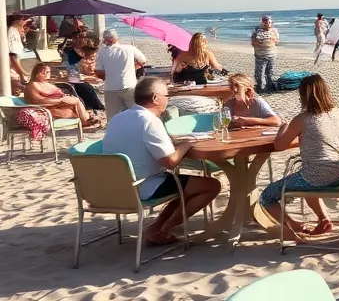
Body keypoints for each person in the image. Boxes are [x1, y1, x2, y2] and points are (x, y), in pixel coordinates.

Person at [102, 77, 221, 246]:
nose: (168, 99)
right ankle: (162, 230)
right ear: (155, 98)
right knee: (211, 186)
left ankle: (157, 227)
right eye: (167, 95)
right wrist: (188, 143)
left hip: (113, 187)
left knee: (186, 187)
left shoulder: (118, 118)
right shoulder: (149, 121)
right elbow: (171, 161)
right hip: (142, 186)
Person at [263, 74, 339, 239]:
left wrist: (283, 128)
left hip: (316, 176)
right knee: (308, 183)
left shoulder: (303, 119)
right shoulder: (337, 113)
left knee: (266, 196)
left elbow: (279, 145)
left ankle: (292, 225)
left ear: (303, 96)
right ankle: (324, 220)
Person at [23, 62, 100, 127]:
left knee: (75, 104)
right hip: (48, 108)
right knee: (76, 103)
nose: (48, 74)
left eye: (49, 72)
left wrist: (64, 99)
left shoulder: (45, 83)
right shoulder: (33, 85)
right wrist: (59, 100)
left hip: (60, 105)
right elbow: (37, 101)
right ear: (37, 73)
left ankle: (86, 118)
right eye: (45, 72)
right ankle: (86, 120)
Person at [95, 29, 148, 118]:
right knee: (138, 113)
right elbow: (143, 61)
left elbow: (98, 71)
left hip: (111, 87)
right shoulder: (129, 48)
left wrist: (106, 77)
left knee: (112, 116)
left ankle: (115, 131)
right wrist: (132, 68)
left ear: (105, 40)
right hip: (129, 85)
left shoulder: (102, 51)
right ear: (117, 38)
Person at [250, 15, 280, 93]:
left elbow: (277, 42)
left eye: (269, 22)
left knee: (271, 73)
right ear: (262, 22)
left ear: (271, 22)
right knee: (260, 73)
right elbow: (253, 43)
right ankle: (261, 88)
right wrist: (259, 41)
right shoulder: (256, 31)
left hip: (271, 55)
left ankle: (271, 87)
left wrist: (271, 39)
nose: (267, 23)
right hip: (260, 55)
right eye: (265, 22)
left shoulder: (274, 31)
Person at [7, 14, 28, 86]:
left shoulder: (15, 30)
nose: (25, 22)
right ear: (18, 21)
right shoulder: (11, 32)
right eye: (24, 20)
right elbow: (13, 57)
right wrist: (22, 76)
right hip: (12, 69)